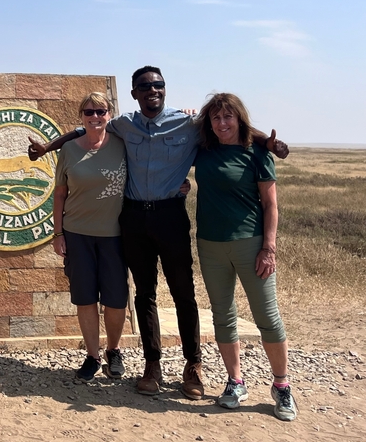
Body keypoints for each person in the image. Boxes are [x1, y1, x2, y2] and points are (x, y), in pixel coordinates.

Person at [30, 66, 289, 400]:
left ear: (165, 90)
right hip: (134, 218)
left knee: (183, 292)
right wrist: (48, 148)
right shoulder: (124, 124)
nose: (153, 90)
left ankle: (192, 364)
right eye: (144, 87)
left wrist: (267, 142)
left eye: (158, 85)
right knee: (144, 294)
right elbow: (84, 129)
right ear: (135, 93)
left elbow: (229, 125)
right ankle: (152, 364)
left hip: (170, 216)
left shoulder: (188, 124)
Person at [193, 93, 296, 421]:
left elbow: (270, 205)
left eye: (228, 117)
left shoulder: (256, 154)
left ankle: (281, 386)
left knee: (267, 316)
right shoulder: (203, 151)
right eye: (216, 118)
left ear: (239, 119)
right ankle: (235, 381)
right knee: (222, 315)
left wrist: (269, 248)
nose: (222, 124)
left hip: (251, 245)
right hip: (210, 245)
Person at [52, 92, 128, 381]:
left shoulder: (122, 146)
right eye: (89, 112)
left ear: (109, 114)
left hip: (116, 236)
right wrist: (58, 233)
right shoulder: (69, 150)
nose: (95, 117)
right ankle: (93, 356)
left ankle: (114, 351)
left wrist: (180, 183)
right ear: (81, 116)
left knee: (116, 300)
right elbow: (60, 194)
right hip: (77, 234)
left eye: (101, 111)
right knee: (85, 299)